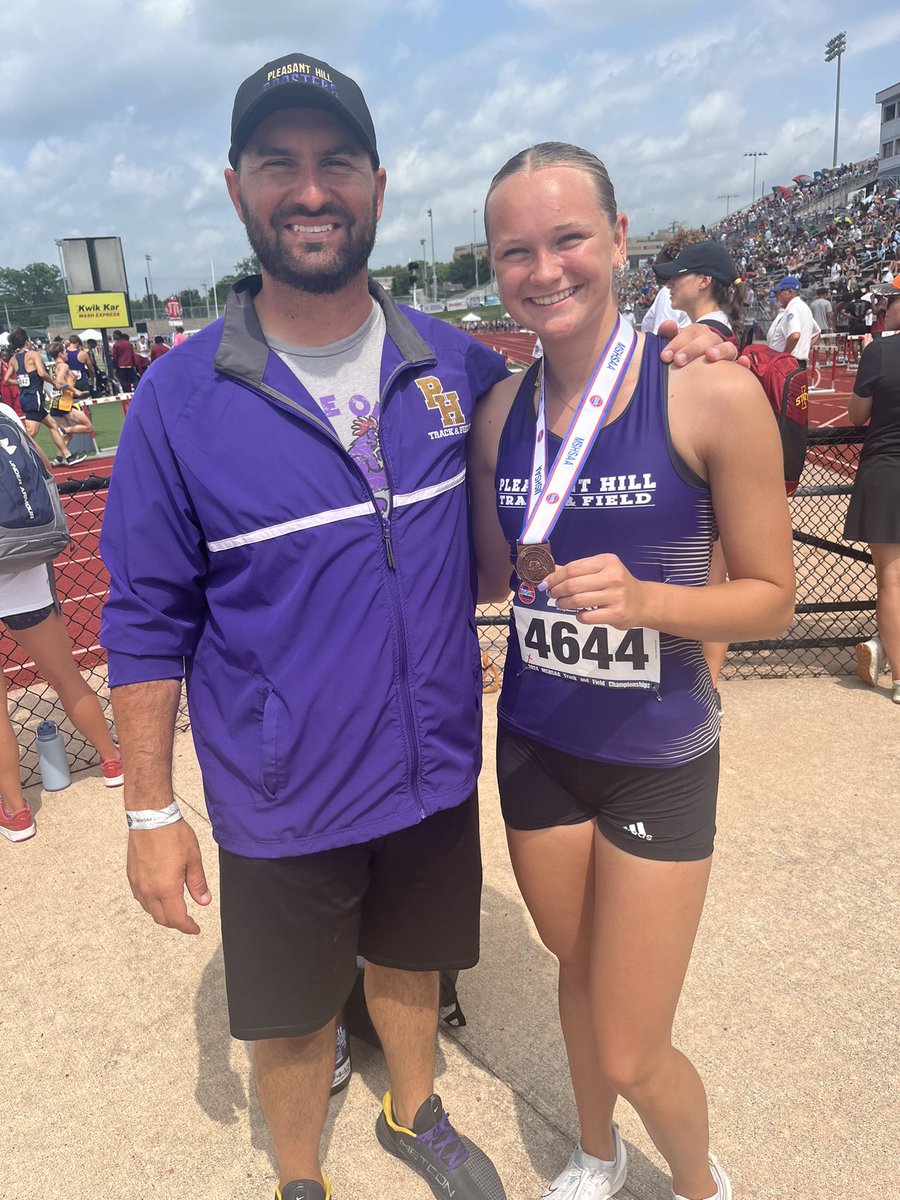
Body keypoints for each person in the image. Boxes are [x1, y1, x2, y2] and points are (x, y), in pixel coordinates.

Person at [99, 57, 731, 1200]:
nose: (310, 189)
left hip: (433, 765)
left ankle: (414, 1106)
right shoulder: (178, 398)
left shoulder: (460, 365)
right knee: (291, 1022)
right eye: (278, 164)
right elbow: (144, 615)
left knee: (408, 961)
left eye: (335, 161)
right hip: (282, 788)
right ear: (236, 187)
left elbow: (585, 378)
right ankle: (301, 1176)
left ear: (378, 186)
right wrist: (150, 808)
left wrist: (689, 343)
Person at [468, 142, 795, 1200]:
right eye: (517, 250)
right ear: (495, 264)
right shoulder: (498, 419)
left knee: (631, 1047)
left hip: (656, 753)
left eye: (568, 238)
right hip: (537, 747)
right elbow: (490, 571)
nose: (544, 269)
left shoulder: (709, 393)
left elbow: (774, 597)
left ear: (619, 241)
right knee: (576, 968)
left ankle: (701, 1183)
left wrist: (650, 602)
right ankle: (597, 1152)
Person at [0, 400, 123, 843]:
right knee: (67, 677)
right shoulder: (5, 413)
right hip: (23, 568)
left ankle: (16, 812)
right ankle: (112, 760)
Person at [652, 241, 745, 693]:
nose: (670, 281)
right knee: (712, 583)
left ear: (705, 281)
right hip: (709, 477)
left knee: (711, 588)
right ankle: (706, 685)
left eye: (679, 274)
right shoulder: (713, 333)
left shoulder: (709, 343)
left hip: (704, 480)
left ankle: (705, 688)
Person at [844, 276, 900, 705]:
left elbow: (858, 413)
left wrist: (870, 357)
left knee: (891, 580)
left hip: (887, 471)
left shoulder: (880, 351)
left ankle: (898, 676)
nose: (883, 309)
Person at [2, 329, 82, 466]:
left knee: (53, 425)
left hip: (25, 397)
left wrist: (21, 383)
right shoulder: (33, 354)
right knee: (30, 433)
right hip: (35, 396)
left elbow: (6, 379)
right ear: (27, 341)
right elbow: (42, 373)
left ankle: (67, 456)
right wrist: (54, 383)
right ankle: (13, 459)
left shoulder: (14, 359)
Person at [766, 276, 818, 368]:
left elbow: (795, 336)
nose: (778, 296)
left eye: (779, 292)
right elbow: (817, 332)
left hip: (788, 363)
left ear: (789, 292)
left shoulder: (793, 309)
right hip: (796, 362)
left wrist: (784, 356)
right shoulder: (803, 308)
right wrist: (803, 347)